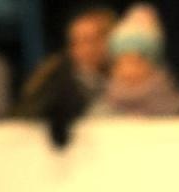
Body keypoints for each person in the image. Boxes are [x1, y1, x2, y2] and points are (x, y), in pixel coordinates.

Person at [13, 4, 115, 146]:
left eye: (91, 40)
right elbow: (23, 114)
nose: (85, 49)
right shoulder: (54, 80)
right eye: (76, 42)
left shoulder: (123, 79)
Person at [89, 3, 179, 117]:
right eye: (121, 63)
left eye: (135, 62)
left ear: (153, 64)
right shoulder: (104, 105)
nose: (128, 70)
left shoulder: (173, 105)